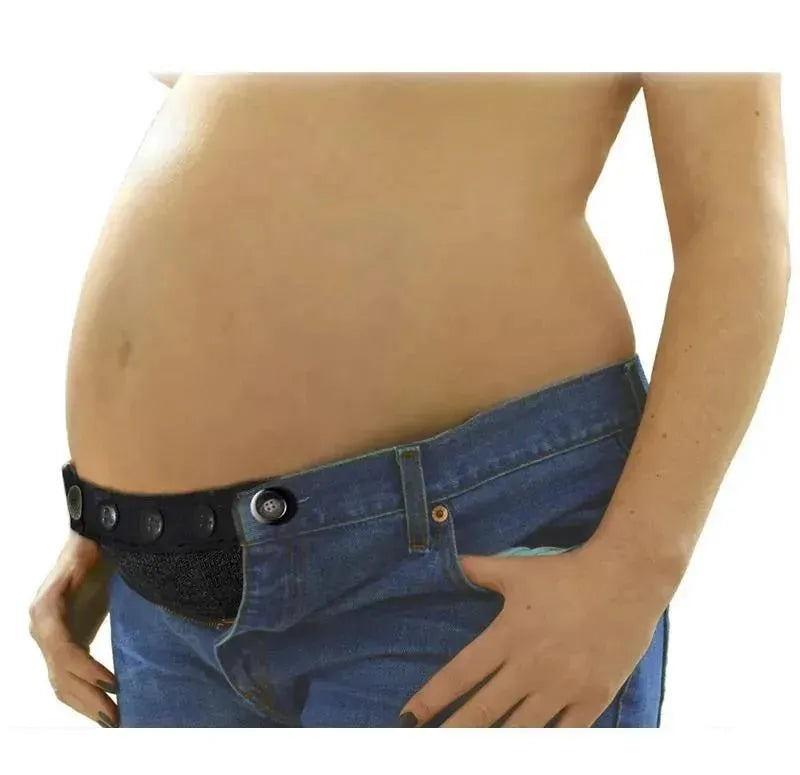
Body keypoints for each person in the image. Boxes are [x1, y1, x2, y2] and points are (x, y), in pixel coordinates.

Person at [29, 72, 789, 728]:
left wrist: (633, 571)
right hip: (159, 591)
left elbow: (733, 226)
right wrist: (116, 512)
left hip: (457, 557)